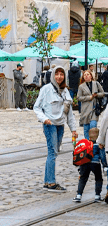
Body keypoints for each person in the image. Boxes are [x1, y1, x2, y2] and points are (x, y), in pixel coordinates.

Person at [34, 63, 78, 192]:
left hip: (60, 125)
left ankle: (47, 182)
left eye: (61, 74)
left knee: (54, 152)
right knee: (52, 152)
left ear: (65, 76)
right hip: (50, 124)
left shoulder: (65, 91)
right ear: (53, 75)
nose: (59, 77)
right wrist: (44, 119)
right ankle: (51, 183)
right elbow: (37, 107)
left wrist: (73, 129)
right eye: (57, 74)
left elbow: (69, 113)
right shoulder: (46, 89)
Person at [74, 127, 107, 203]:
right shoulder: (99, 145)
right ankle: (97, 196)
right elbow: (102, 156)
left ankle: (78, 196)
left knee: (82, 179)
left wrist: (79, 166)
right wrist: (105, 166)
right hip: (95, 163)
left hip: (85, 163)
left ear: (89, 136)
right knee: (98, 179)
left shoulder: (85, 144)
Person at [77, 70, 105, 139]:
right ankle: (88, 145)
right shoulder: (81, 86)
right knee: (86, 128)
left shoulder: (96, 83)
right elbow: (79, 97)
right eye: (85, 75)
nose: (86, 76)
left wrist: (96, 95)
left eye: (88, 74)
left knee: (93, 126)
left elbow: (103, 93)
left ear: (91, 76)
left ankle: (93, 144)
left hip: (94, 109)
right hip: (85, 110)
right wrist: (89, 97)